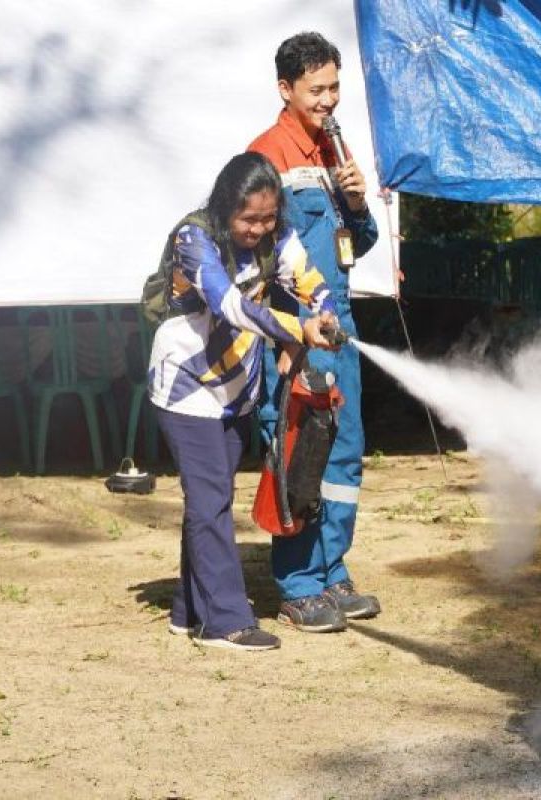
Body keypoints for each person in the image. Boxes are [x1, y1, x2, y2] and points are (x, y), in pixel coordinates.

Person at [148, 152, 340, 651]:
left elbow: (309, 278)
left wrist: (326, 315)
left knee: (212, 500)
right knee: (210, 499)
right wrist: (297, 330)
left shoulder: (279, 237)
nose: (258, 228)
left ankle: (188, 611)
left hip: (236, 391)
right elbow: (229, 305)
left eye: (268, 217)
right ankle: (226, 622)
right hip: (185, 386)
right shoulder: (194, 239)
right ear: (224, 207)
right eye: (248, 218)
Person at [248, 31, 380, 633]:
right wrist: (286, 339)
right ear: (286, 89)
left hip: (342, 332)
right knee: (301, 454)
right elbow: (250, 259)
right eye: (317, 89)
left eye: (335, 88)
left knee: (344, 453)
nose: (329, 100)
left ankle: (332, 570)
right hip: (298, 339)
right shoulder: (266, 158)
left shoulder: (335, 153)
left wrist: (356, 205)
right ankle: (298, 583)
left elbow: (363, 244)